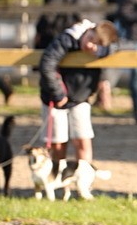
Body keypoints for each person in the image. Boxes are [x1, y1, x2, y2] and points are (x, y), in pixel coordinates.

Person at [38, 19, 119, 173]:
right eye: (90, 39)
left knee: (83, 139)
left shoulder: (103, 48)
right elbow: (47, 63)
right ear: (89, 30)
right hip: (55, 98)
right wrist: (58, 94)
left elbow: (119, 44)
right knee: (58, 143)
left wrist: (104, 51)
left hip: (81, 97)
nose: (89, 45)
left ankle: (84, 181)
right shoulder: (67, 38)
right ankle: (57, 180)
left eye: (96, 45)